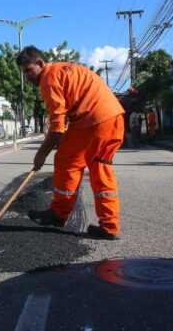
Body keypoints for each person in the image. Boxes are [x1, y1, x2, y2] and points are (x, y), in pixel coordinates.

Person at [16, 46, 125, 240]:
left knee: (66, 161)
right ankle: (110, 226)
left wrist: (41, 154)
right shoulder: (65, 69)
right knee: (100, 168)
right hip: (114, 117)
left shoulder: (48, 79)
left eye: (29, 71)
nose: (28, 77)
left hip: (93, 120)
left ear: (40, 64)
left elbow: (57, 127)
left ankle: (58, 214)